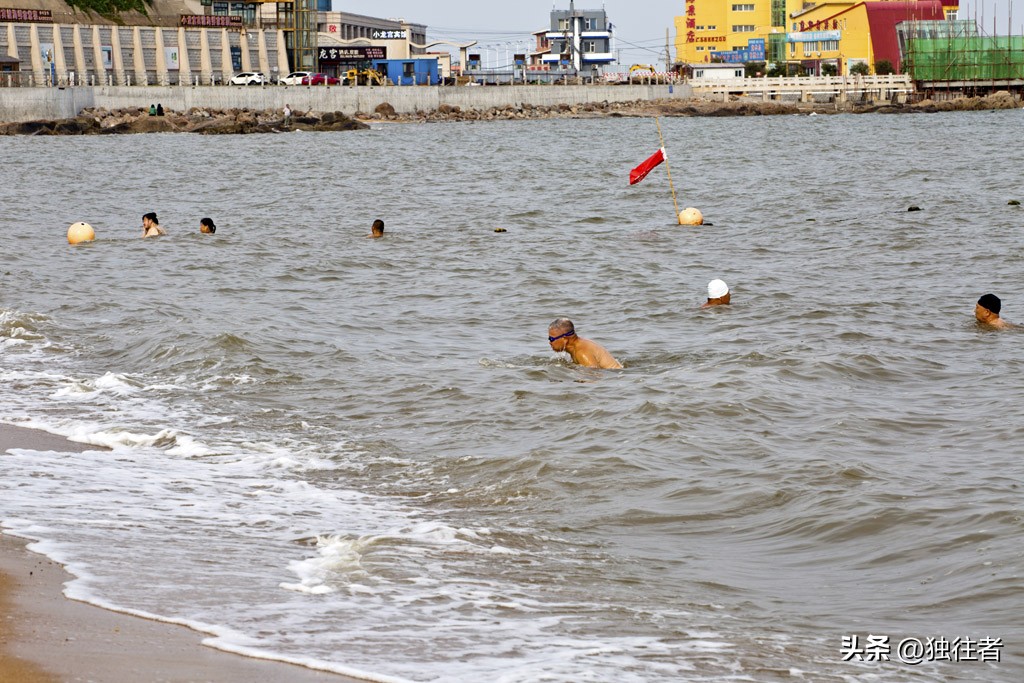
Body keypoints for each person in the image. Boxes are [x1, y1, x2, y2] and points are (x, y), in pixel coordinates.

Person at [548, 318, 622, 369]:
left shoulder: (581, 352)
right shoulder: (580, 344)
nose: (550, 342)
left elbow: (593, 378)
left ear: (564, 339)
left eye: (551, 339)